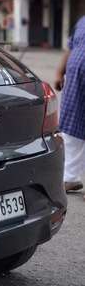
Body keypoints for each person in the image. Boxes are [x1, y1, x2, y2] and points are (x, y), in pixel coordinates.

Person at [55, 15, 85, 193]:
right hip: (75, 82)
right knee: (72, 130)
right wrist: (59, 73)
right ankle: (70, 178)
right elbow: (70, 49)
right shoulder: (81, 21)